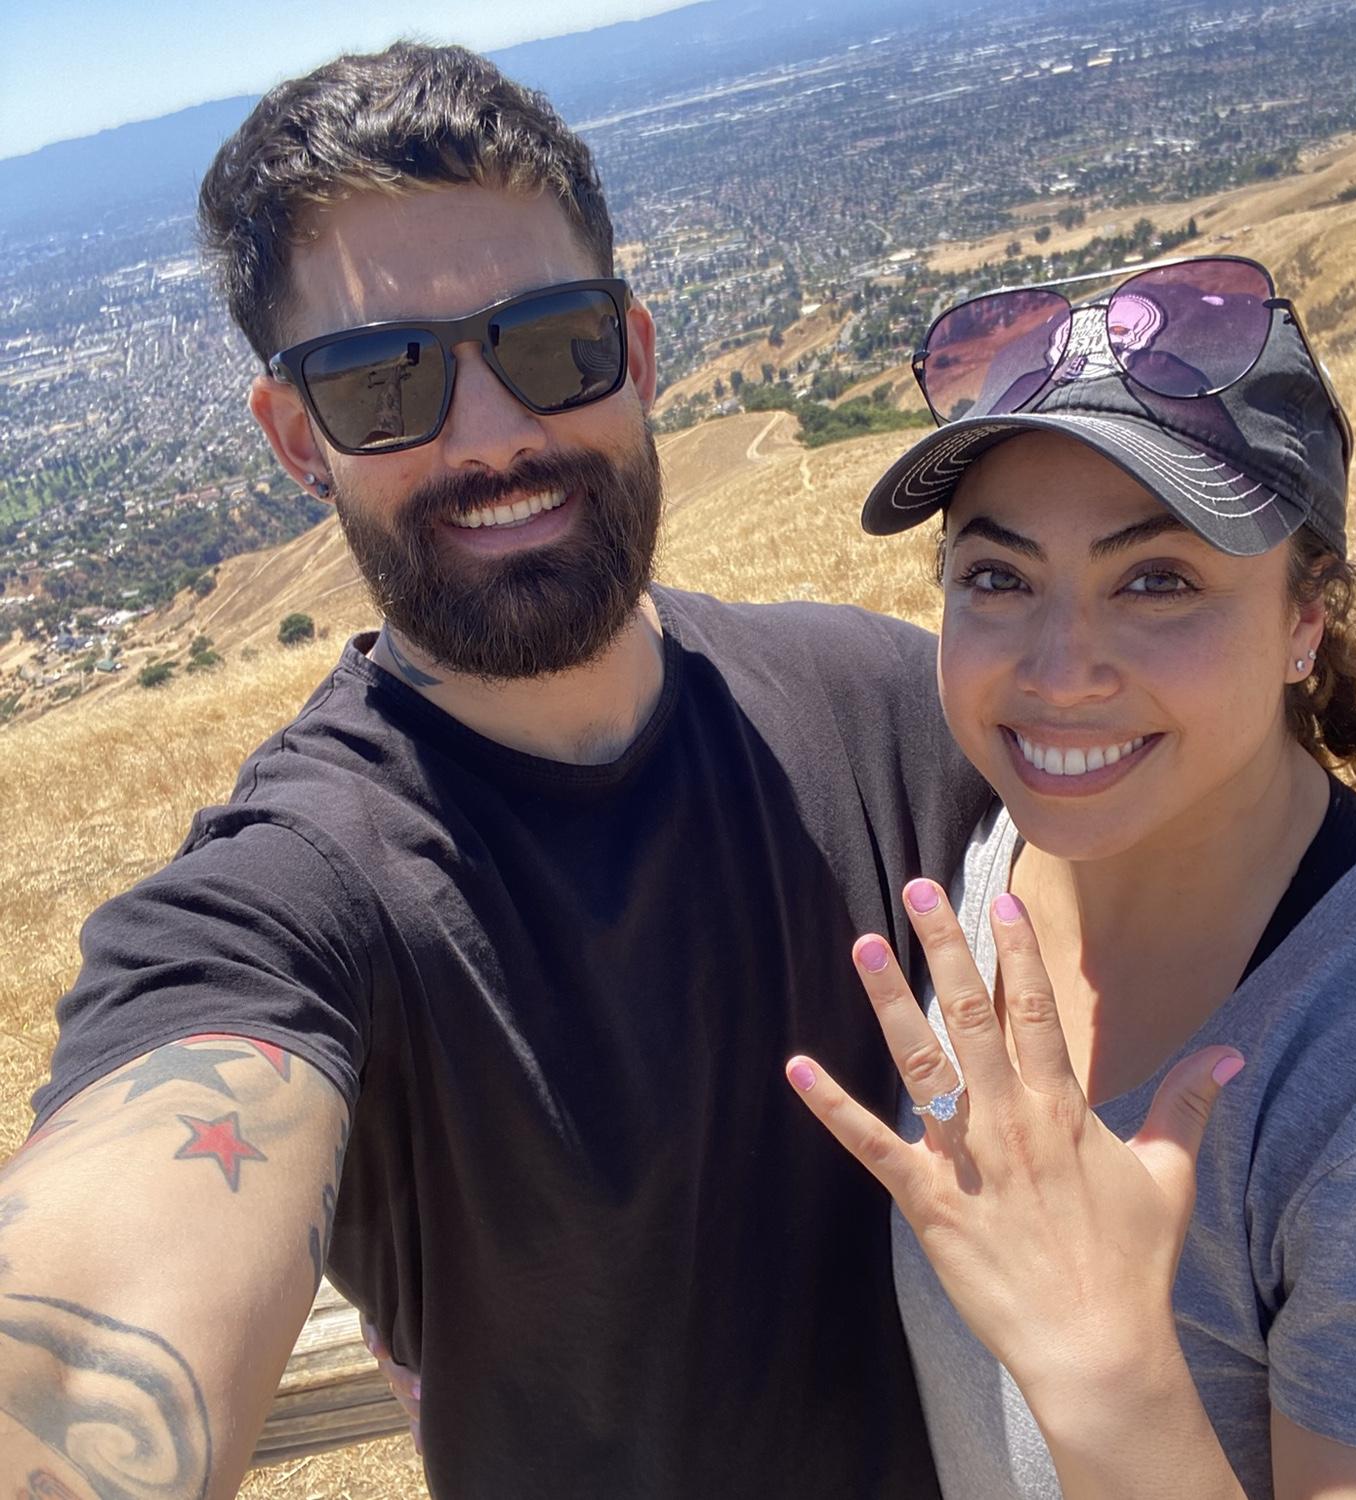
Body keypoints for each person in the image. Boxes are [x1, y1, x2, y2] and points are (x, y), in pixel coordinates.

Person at [1, 43, 991, 1496]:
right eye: (381, 377)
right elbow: (89, 1343)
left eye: (552, 342)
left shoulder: (889, 705)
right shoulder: (291, 905)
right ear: (296, 437)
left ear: (639, 352)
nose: (495, 438)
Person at [785, 265, 1356, 1496]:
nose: (1060, 673)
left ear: (1302, 621)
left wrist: (1106, 1368)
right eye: (999, 577)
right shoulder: (979, 864)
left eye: (1158, 581)